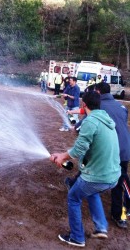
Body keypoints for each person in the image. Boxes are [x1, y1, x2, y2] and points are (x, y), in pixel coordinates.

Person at [50, 91, 121, 247]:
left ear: (83, 105)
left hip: (99, 177)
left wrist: (62, 156)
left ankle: (77, 237)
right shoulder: (106, 119)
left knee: (73, 197)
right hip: (113, 176)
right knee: (91, 191)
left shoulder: (90, 121)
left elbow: (79, 149)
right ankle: (101, 227)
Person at [95, 82, 130, 228]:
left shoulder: (99, 107)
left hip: (113, 150)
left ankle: (119, 215)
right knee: (122, 178)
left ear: (98, 92)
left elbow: (85, 124)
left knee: (119, 182)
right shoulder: (122, 107)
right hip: (125, 148)